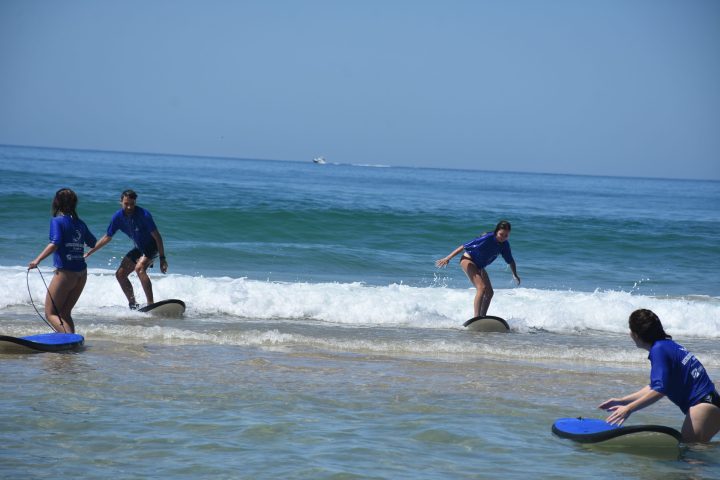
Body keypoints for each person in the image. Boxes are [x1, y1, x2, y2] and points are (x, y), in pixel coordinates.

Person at [599, 309, 720, 443]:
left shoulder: (659, 350)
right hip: (711, 401)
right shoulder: (668, 345)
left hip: (701, 406)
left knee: (691, 455)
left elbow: (659, 391)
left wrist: (628, 409)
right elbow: (654, 387)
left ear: (636, 335)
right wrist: (622, 401)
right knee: (699, 452)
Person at [28, 188, 97, 333]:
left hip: (66, 274)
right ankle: (73, 345)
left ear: (57, 202)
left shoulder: (57, 221)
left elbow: (55, 242)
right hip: (81, 273)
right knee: (65, 314)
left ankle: (69, 341)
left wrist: (37, 260)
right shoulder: (80, 223)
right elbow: (93, 242)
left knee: (51, 313)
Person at [85, 189, 168, 309]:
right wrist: (90, 252)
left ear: (135, 202)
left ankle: (151, 304)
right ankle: (133, 304)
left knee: (139, 269)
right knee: (120, 274)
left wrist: (162, 258)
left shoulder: (144, 215)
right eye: (126, 204)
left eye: (132, 204)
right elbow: (107, 237)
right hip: (139, 248)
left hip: (152, 246)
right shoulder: (118, 217)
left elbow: (158, 237)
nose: (129, 207)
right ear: (121, 202)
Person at [435, 220, 520, 318]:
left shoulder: (504, 245)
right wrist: (447, 258)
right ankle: (476, 318)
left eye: (506, 235)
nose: (503, 237)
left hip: (479, 266)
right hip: (468, 260)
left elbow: (510, 260)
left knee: (489, 292)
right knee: (481, 288)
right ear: (496, 231)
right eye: (501, 234)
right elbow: (463, 246)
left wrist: (515, 274)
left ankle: (482, 317)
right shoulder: (488, 237)